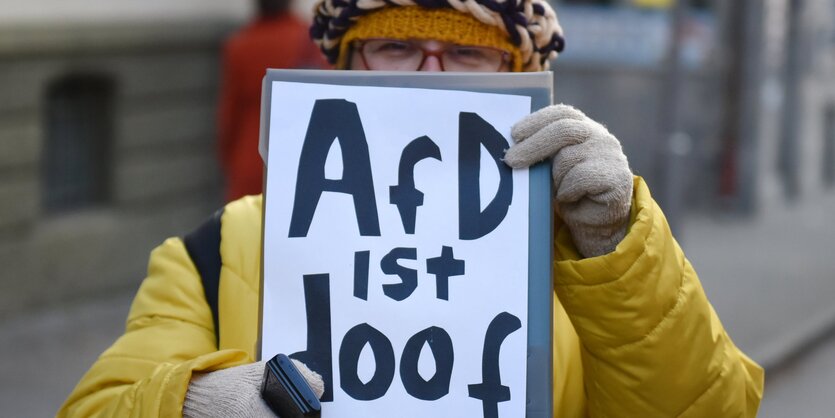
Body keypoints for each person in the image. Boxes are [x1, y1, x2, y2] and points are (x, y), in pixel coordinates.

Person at [59, 0, 765, 416]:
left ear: (522, 82)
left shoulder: (584, 250)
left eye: (466, 56)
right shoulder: (217, 249)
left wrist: (617, 249)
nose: (430, 75)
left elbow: (713, 408)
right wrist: (190, 401)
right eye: (396, 47)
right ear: (347, 69)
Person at [218, 0, 327, 202]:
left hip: (248, 159)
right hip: (297, 157)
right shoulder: (310, 39)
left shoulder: (240, 44)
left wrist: (228, 158)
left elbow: (229, 116)